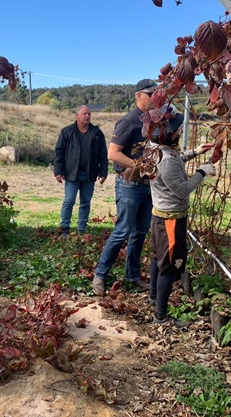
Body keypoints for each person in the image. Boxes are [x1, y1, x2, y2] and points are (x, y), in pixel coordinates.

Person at [147, 105, 215, 326]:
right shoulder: (164, 159)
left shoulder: (154, 148)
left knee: (158, 258)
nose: (178, 132)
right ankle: (161, 315)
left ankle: (153, 297)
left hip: (159, 215)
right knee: (167, 266)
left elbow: (174, 163)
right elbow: (183, 189)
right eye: (176, 129)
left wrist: (195, 152)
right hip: (170, 219)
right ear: (167, 133)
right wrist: (202, 171)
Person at [92, 78, 158, 296]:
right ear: (138, 96)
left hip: (148, 185)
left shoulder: (155, 120)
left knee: (140, 232)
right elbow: (113, 154)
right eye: (150, 94)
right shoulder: (129, 122)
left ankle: (132, 275)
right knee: (122, 231)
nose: (154, 97)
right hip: (129, 184)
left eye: (156, 94)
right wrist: (139, 166)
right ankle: (100, 275)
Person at [54, 105, 108, 238]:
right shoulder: (67, 132)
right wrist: (58, 171)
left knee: (85, 203)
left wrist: (103, 172)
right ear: (77, 116)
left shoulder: (97, 133)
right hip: (72, 173)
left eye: (89, 114)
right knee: (69, 201)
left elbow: (103, 154)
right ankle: (65, 228)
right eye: (84, 114)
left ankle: (81, 229)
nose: (87, 116)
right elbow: (59, 152)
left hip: (89, 174)